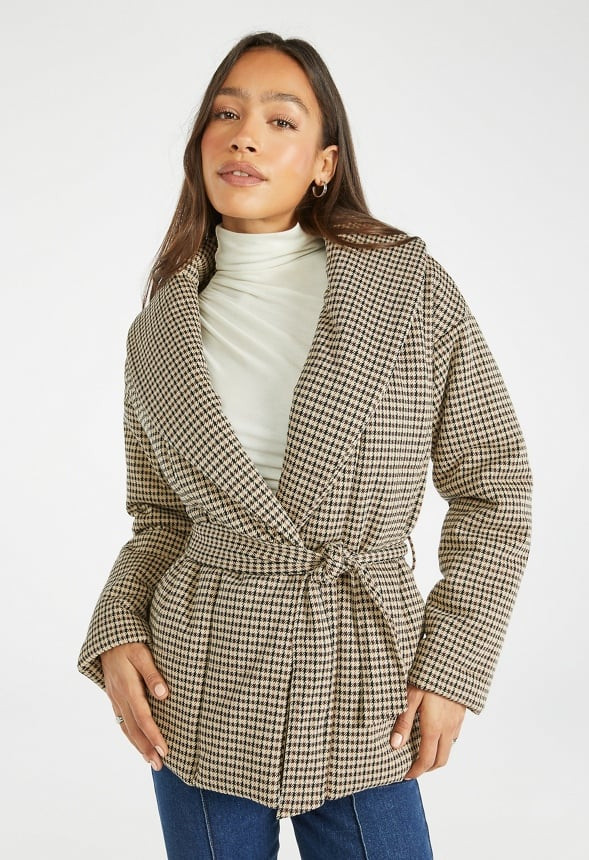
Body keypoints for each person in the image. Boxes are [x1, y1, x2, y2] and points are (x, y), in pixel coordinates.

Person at [77, 31, 533, 859]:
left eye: (279, 120)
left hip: (364, 680)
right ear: (200, 145)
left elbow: (493, 485)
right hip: (198, 685)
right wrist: (114, 627)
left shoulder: (407, 289)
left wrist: (451, 663)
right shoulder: (156, 334)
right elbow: (160, 521)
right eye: (224, 115)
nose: (244, 137)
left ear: (324, 162)